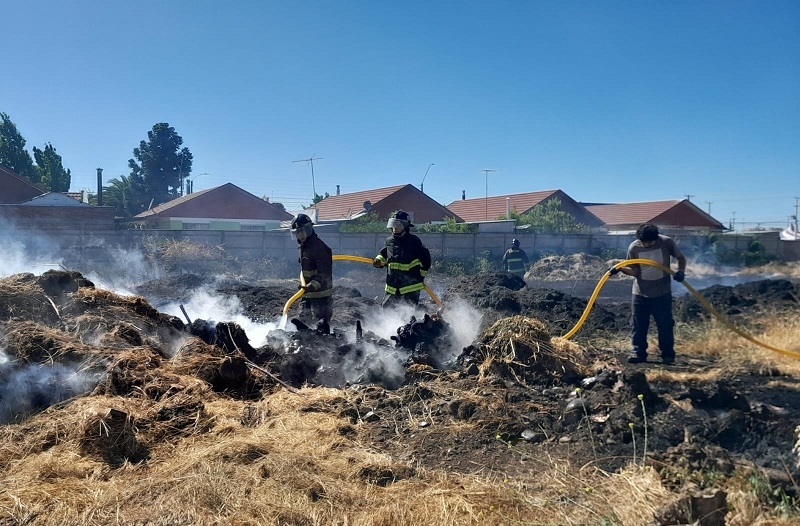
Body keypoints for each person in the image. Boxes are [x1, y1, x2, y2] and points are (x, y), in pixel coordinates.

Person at [609, 223, 687, 365]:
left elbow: (681, 258)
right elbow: (634, 271)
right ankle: (638, 352)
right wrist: (620, 268)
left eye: (650, 242)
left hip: (662, 292)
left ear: (655, 238)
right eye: (644, 242)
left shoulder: (666, 243)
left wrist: (681, 271)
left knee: (665, 324)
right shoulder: (634, 248)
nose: (647, 244)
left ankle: (667, 354)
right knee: (638, 324)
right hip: (640, 293)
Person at [373, 210, 431, 308]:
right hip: (392, 287)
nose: (395, 228)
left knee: (408, 317)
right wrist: (378, 261)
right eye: (393, 225)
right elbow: (383, 253)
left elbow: (426, 260)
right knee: (386, 313)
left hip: (410, 288)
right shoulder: (389, 241)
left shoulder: (414, 241)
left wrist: (420, 276)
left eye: (398, 225)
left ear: (405, 226)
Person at [291, 213, 333, 334]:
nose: (301, 235)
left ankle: (327, 351)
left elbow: (324, 273)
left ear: (310, 229)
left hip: (321, 298)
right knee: (303, 326)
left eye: (303, 231)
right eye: (298, 232)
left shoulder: (320, 248)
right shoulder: (304, 247)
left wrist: (312, 285)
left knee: (322, 329)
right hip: (307, 296)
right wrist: (306, 288)